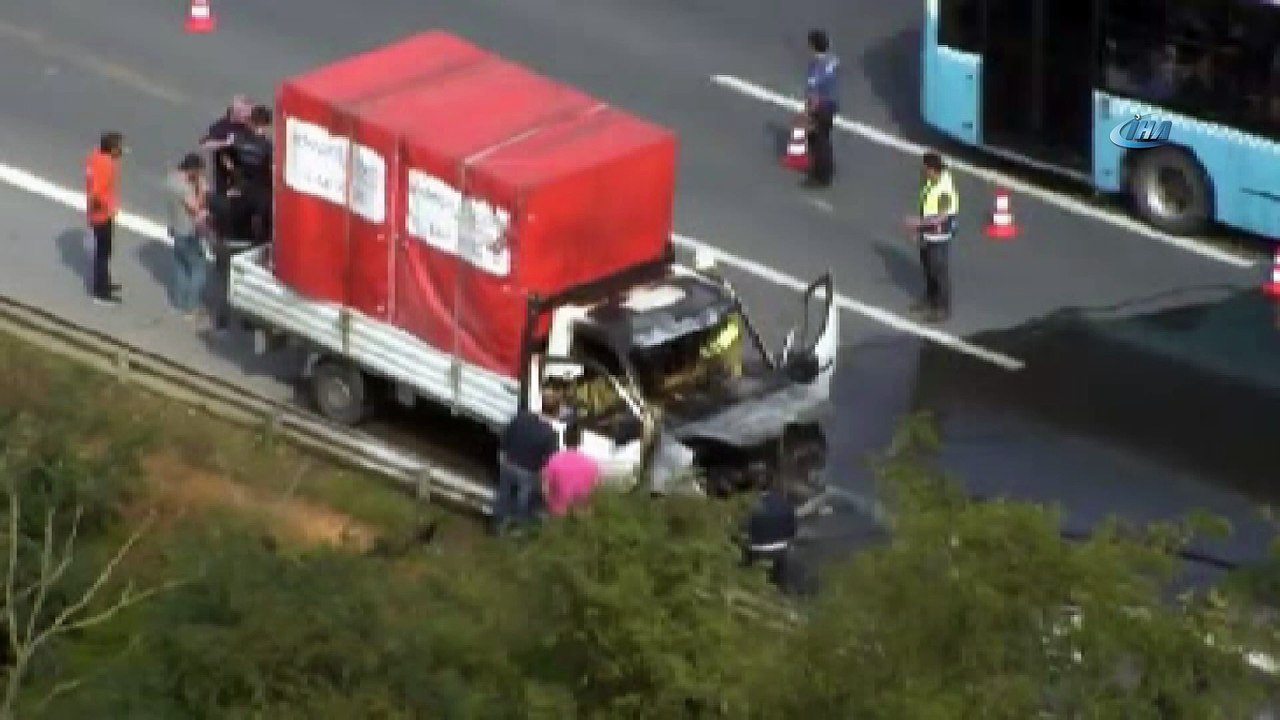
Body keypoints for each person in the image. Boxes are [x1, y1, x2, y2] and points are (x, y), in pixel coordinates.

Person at [492, 389, 561, 534]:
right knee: (522, 502)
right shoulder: (551, 434)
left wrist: (502, 454)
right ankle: (515, 531)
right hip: (528, 472)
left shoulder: (522, 417)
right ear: (556, 412)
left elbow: (506, 434)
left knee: (503, 496)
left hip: (509, 463)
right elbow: (550, 461)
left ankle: (497, 526)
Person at [903, 151, 959, 323]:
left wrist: (917, 224)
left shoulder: (944, 188)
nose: (922, 171)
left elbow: (941, 217)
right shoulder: (930, 179)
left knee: (938, 269)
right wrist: (919, 230)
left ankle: (942, 308)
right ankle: (930, 299)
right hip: (928, 232)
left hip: (939, 235)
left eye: (925, 168)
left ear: (933, 169)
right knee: (928, 267)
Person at [165, 153, 211, 320]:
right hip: (188, 232)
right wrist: (202, 190)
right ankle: (191, 307)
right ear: (192, 170)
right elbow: (195, 207)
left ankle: (178, 301)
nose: (200, 175)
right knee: (199, 269)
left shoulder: (171, 180)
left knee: (180, 266)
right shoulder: (184, 187)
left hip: (175, 228)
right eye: (198, 172)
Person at [85, 131, 125, 306]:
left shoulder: (95, 157)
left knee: (104, 251)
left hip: (98, 213)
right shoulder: (106, 165)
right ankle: (100, 291)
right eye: (119, 147)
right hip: (101, 215)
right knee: (103, 252)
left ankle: (105, 283)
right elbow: (96, 192)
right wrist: (106, 209)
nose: (121, 151)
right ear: (112, 148)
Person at [230, 104, 274, 246]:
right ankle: (260, 242)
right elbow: (271, 166)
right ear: (263, 124)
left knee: (245, 212)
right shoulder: (266, 145)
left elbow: (232, 159)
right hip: (260, 186)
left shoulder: (238, 138)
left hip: (242, 182)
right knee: (263, 214)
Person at [802, 29, 840, 188]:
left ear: (812, 46)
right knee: (824, 136)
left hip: (821, 106)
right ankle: (826, 169)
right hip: (832, 103)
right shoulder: (833, 60)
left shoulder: (815, 67)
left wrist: (809, 111)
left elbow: (813, 90)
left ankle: (821, 175)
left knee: (817, 139)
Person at [541, 421, 601, 517]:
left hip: (558, 510)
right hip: (581, 510)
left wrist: (549, 502)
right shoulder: (591, 463)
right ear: (580, 441)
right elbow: (595, 488)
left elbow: (545, 489)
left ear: (564, 439)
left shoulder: (554, 460)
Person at [200, 95, 252, 196]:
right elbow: (205, 144)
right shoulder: (221, 127)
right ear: (235, 112)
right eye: (246, 114)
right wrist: (226, 143)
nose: (248, 117)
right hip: (225, 178)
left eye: (250, 114)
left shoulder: (250, 127)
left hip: (247, 177)